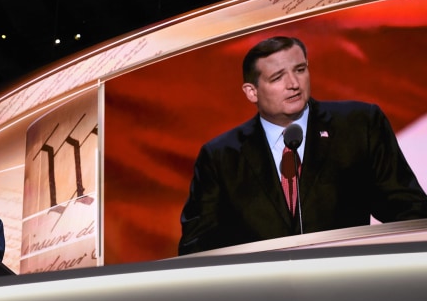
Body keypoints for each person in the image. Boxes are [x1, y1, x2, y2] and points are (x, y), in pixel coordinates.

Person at [178, 36, 427, 256]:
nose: (293, 84)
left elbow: (409, 210)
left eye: (300, 70)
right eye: (277, 77)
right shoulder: (221, 156)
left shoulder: (359, 125)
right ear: (251, 92)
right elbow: (196, 247)